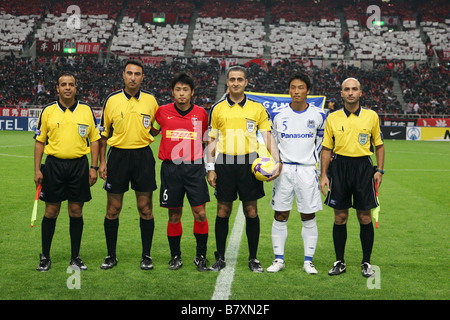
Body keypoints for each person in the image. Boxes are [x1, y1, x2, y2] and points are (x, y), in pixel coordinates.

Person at [206, 65, 281, 273]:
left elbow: (267, 136)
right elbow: (211, 140)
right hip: (225, 164)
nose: (236, 83)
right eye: (232, 79)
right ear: (228, 82)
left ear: (246, 82)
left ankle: (253, 258)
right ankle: (220, 257)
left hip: (250, 165)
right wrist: (210, 168)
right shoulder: (218, 108)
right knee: (223, 210)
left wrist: (277, 161)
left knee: (251, 210)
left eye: (240, 79)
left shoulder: (257, 108)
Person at [34, 72, 100, 272]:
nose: (67, 88)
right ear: (57, 88)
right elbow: (39, 142)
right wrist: (37, 169)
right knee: (51, 211)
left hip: (79, 166)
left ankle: (75, 257)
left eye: (71, 84)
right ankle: (45, 256)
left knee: (76, 211)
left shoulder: (86, 110)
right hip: (53, 166)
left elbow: (95, 139)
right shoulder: (48, 111)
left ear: (76, 87)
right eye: (64, 84)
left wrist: (94, 167)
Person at [320, 77, 385, 277]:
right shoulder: (332, 118)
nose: (350, 92)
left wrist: (379, 170)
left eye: (354, 89)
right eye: (346, 89)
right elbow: (326, 148)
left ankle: (366, 262)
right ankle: (339, 261)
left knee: (364, 217)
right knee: (340, 217)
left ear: (360, 92)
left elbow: (379, 145)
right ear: (341, 93)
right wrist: (323, 174)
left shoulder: (371, 116)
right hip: (339, 167)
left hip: (363, 167)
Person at [98, 60, 159, 270]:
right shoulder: (112, 100)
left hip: (143, 157)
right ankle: (111, 255)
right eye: (129, 73)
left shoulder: (151, 100)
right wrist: (102, 162)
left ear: (143, 77)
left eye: (137, 74)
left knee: (145, 208)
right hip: (118, 157)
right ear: (123, 75)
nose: (133, 77)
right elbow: (104, 134)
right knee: (113, 209)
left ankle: (146, 256)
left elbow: (157, 126)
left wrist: (146, 136)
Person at [267, 72, 326, 274]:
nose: (296, 91)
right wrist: (275, 163)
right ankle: (278, 259)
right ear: (289, 90)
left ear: (308, 91)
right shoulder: (278, 115)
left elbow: (322, 143)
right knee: (280, 214)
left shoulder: (319, 115)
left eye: (300, 87)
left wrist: (314, 164)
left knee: (307, 215)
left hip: (307, 170)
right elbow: (272, 142)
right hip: (284, 170)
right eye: (293, 87)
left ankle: (308, 261)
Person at [152, 72, 210, 271]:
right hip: (171, 169)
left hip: (194, 168)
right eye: (178, 89)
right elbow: (151, 131)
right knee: (174, 215)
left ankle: (200, 256)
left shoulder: (201, 113)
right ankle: (175, 256)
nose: (182, 93)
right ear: (172, 92)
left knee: (200, 213)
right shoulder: (162, 112)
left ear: (192, 92)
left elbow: (207, 140)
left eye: (186, 89)